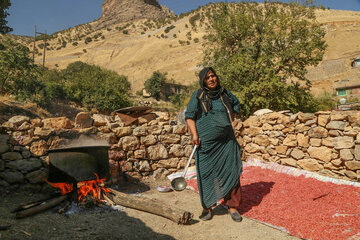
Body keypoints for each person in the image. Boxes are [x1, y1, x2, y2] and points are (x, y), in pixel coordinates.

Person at [185, 67, 243, 222]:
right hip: (206, 144)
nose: (211, 79)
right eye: (207, 77)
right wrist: (195, 135)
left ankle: (232, 206)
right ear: (203, 81)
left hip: (227, 141)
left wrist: (227, 119)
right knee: (206, 173)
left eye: (213, 76)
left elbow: (236, 104)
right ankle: (208, 206)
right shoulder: (198, 95)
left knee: (232, 171)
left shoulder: (225, 93)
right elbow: (189, 116)